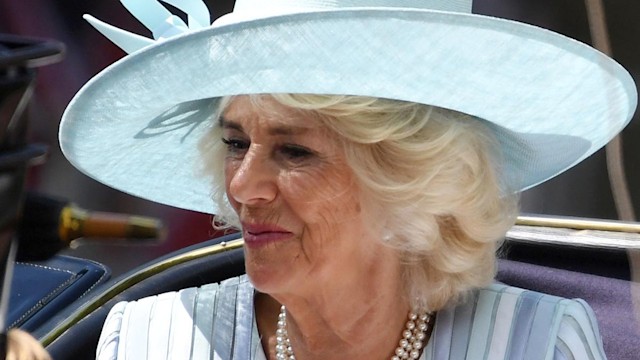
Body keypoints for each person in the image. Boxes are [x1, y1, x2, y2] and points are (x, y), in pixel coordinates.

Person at [58, 0, 637, 359]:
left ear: (409, 181)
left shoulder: (535, 344)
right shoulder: (153, 341)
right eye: (237, 144)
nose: (244, 187)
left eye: (294, 151)